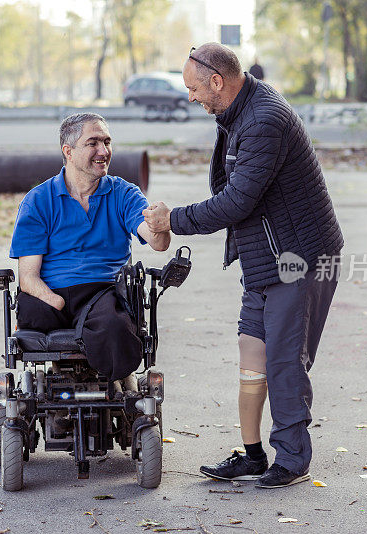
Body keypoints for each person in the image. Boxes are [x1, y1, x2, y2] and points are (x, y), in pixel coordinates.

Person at [143, 43, 344, 489]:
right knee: (252, 354)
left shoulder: (263, 120)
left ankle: (291, 460)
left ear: (217, 81)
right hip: (264, 259)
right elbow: (232, 190)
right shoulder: (237, 112)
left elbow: (236, 200)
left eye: (194, 88)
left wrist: (173, 219)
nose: (191, 97)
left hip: (298, 259)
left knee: (284, 362)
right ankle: (253, 455)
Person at [10, 112, 170, 383]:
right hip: (52, 295)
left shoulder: (123, 193)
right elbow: (28, 277)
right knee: (32, 311)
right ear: (68, 151)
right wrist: (58, 303)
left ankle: (123, 389)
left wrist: (162, 223)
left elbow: (158, 242)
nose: (103, 151)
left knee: (115, 325)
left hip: (101, 291)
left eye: (107, 142)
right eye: (93, 143)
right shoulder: (38, 200)